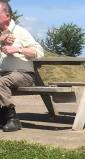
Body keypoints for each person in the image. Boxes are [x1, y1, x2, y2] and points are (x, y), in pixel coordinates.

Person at [0, 1, 44, 132]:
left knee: (1, 82)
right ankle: (3, 117)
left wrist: (17, 49)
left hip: (23, 74)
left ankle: (12, 118)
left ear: (7, 15)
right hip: (4, 73)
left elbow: (39, 52)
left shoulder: (20, 32)